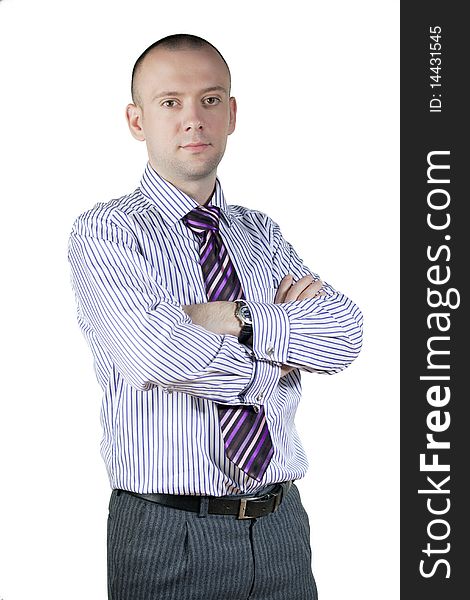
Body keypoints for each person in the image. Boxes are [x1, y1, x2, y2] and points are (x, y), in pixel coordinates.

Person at [68, 33, 363, 600]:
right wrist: (275, 364)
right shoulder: (106, 232)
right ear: (137, 120)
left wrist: (237, 319)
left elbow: (344, 337)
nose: (193, 119)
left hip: (280, 526)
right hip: (167, 531)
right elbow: (151, 355)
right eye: (170, 102)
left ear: (231, 114)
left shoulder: (261, 233)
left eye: (209, 100)